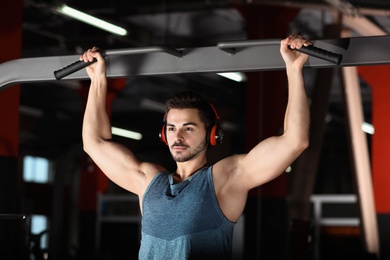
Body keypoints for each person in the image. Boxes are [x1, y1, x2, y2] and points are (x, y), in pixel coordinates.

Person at [81, 34, 311, 259]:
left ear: (212, 135)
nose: (177, 136)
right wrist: (97, 80)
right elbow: (94, 143)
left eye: (188, 128)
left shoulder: (224, 180)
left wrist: (294, 69)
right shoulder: (147, 181)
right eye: (171, 128)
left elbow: (294, 141)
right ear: (164, 133)